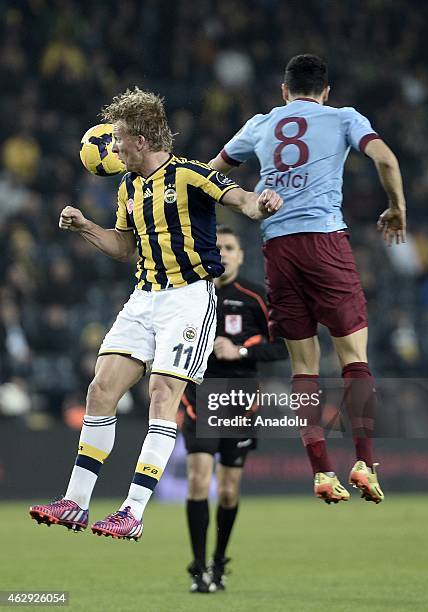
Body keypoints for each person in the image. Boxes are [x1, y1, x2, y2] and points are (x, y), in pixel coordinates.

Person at [29, 87, 282, 540]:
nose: (113, 148)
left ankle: (132, 510)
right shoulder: (127, 187)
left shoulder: (190, 174)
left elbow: (238, 198)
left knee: (161, 393)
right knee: (100, 389)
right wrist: (87, 227)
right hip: (144, 296)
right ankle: (75, 502)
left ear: (142, 140)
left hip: (188, 298)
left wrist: (258, 203)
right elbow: (125, 247)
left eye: (120, 139)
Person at [209, 54, 406, 504]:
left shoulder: (259, 124)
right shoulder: (343, 118)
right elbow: (387, 160)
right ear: (326, 92)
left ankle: (320, 470)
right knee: (354, 357)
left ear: (284, 91)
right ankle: (363, 461)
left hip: (277, 248)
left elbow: (210, 173)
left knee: (304, 368)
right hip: (324, 242)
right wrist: (397, 207)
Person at [182, 225, 287, 592]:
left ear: (241, 255)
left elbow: (282, 348)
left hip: (241, 398)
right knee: (198, 478)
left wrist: (239, 350)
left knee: (228, 490)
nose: (223, 253)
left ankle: (218, 562)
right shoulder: (190, 293)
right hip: (198, 390)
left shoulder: (256, 297)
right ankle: (198, 569)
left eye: (229, 247)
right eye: (217, 247)